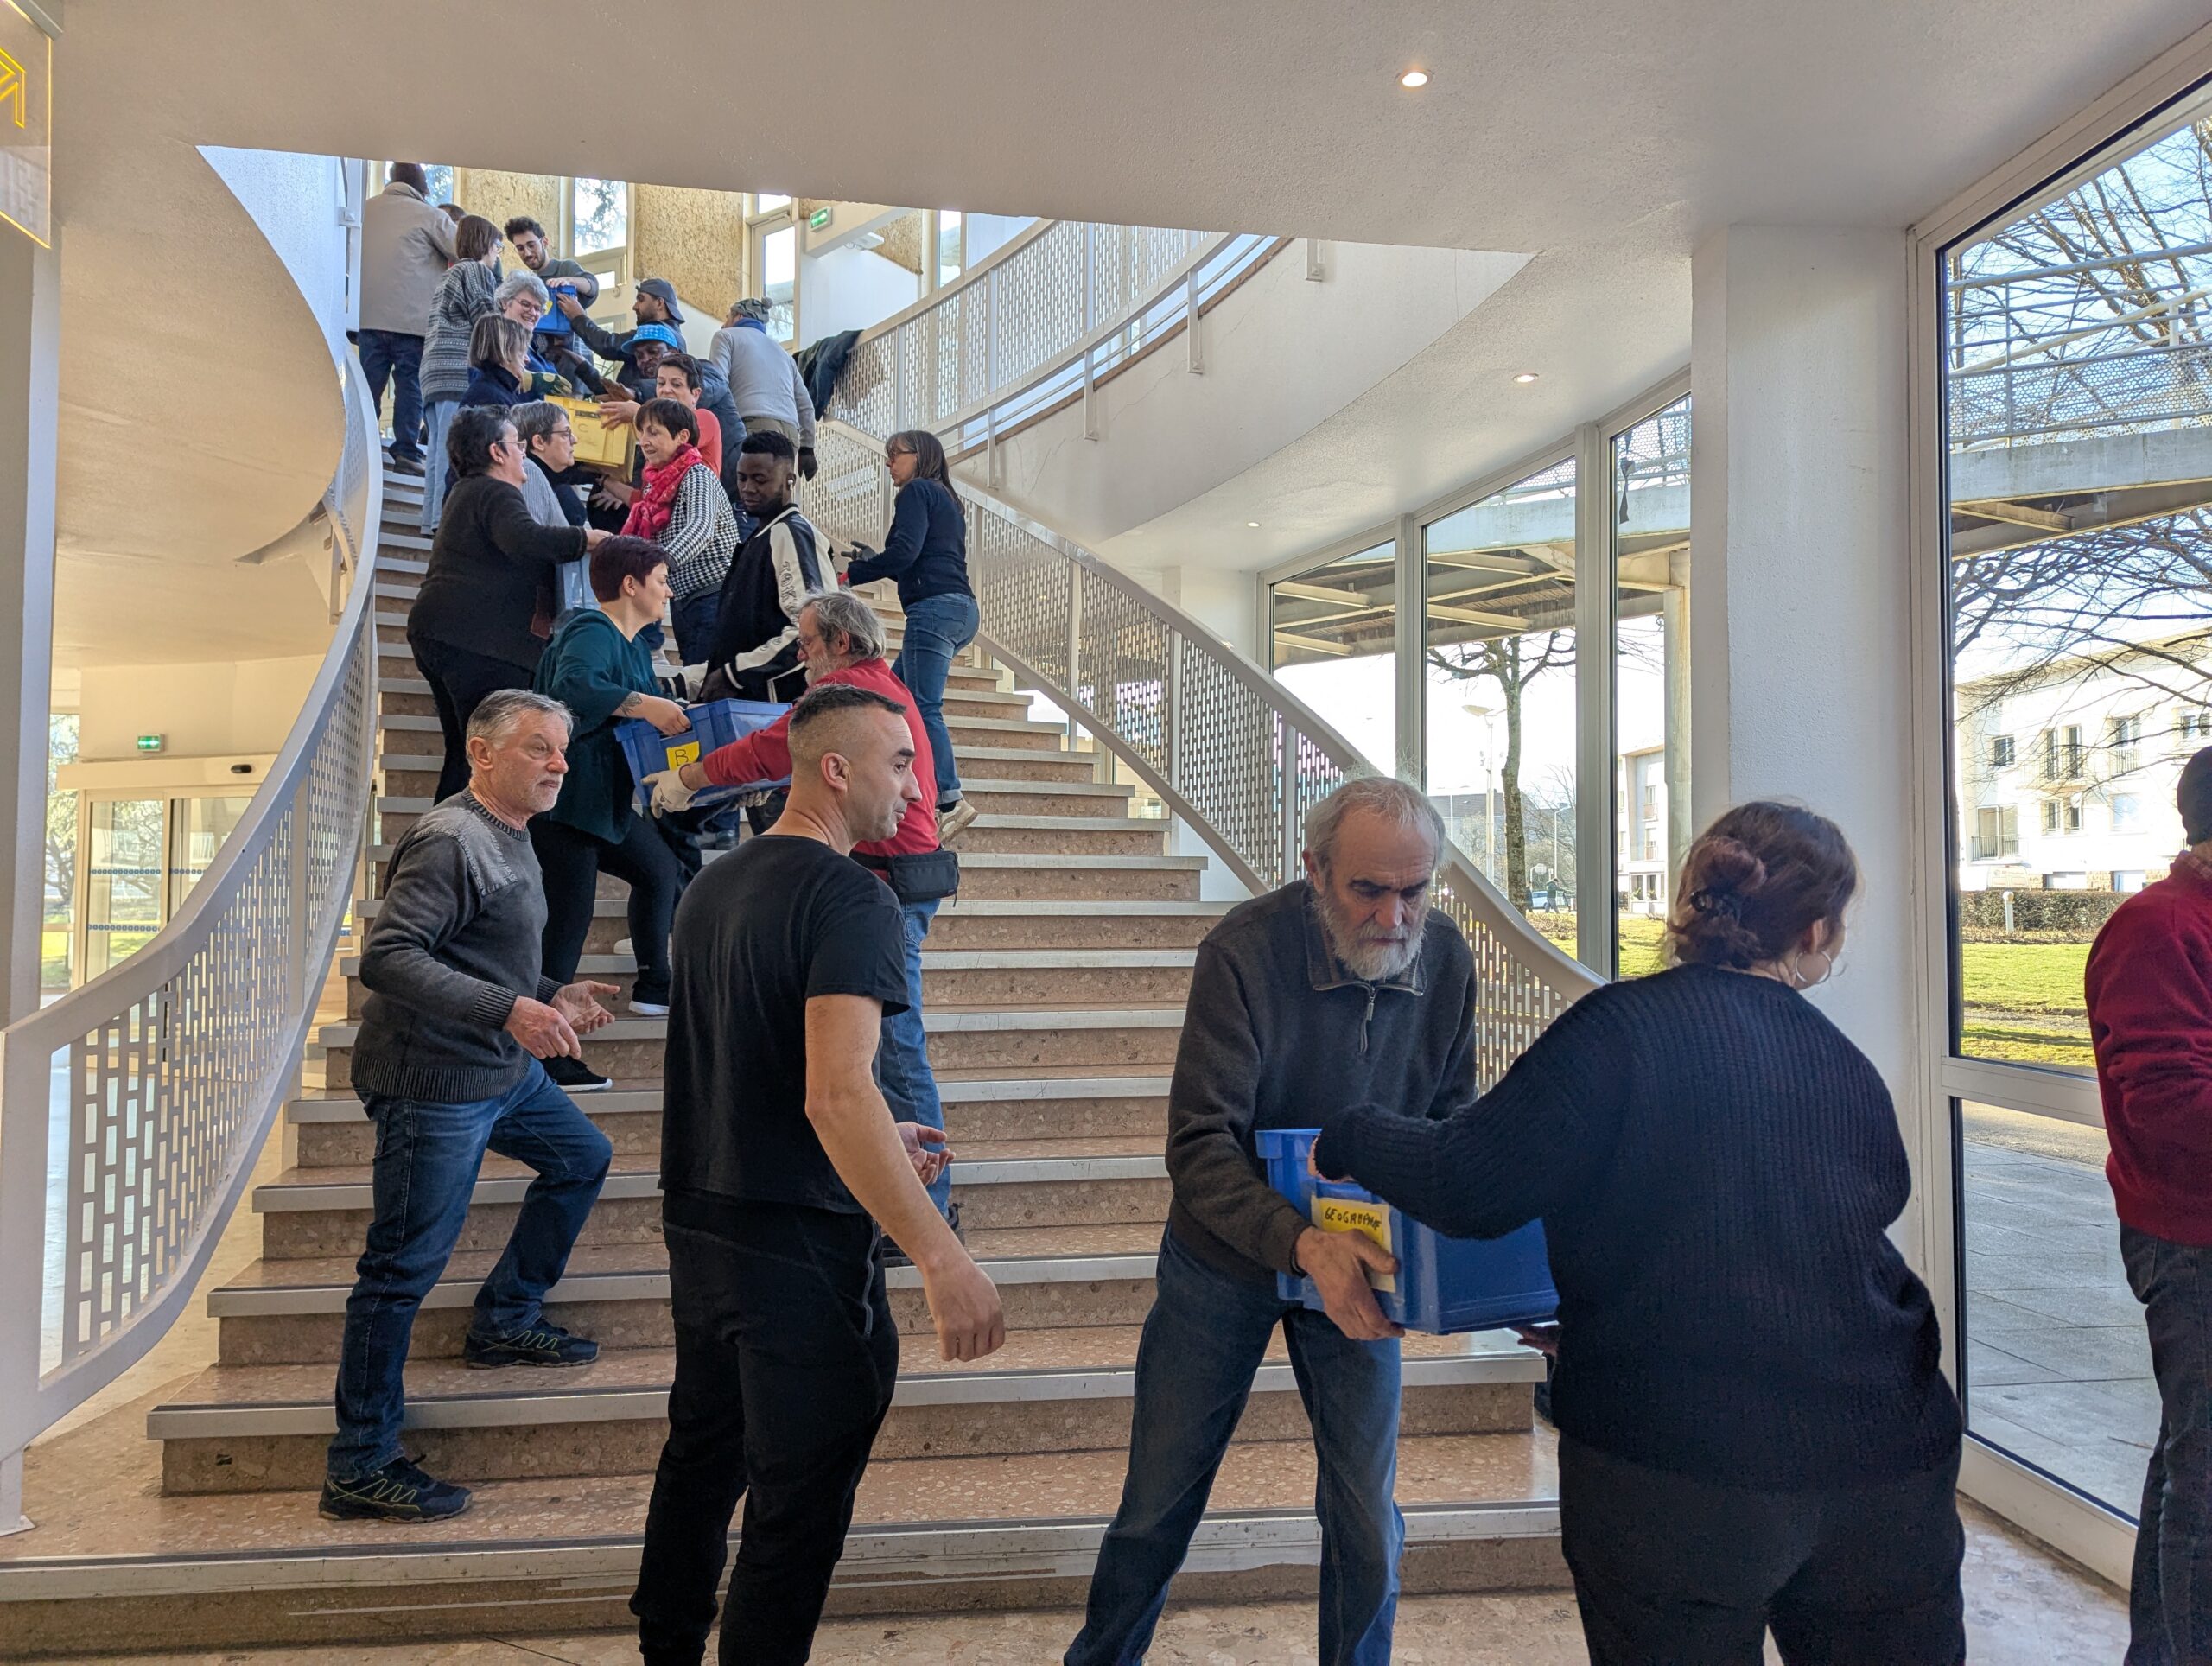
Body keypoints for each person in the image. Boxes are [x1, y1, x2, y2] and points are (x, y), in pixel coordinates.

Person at [1308, 799, 1966, 1666]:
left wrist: (1349, 1134)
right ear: (1816, 932)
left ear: (1692, 900)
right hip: (1886, 1466)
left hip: (1672, 1469)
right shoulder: (1842, 1061)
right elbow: (1797, 1239)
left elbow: (1468, 1183)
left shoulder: (1618, 1029)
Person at [629, 682, 1005, 1664]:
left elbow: (759, 1067)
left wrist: (884, 1134)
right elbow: (837, 1095)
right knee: (794, 1510)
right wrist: (942, 1253)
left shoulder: (714, 884)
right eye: (900, 763)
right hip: (795, 1247)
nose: (915, 787)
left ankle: (665, 1648)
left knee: (701, 1457)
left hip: (702, 1218)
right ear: (835, 769)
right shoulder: (853, 896)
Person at [1065, 775, 1475, 1666]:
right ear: (1314, 870)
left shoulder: (1445, 958)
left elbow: (1451, 1125)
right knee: (1158, 1503)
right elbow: (1198, 1144)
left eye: (1415, 890)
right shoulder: (1242, 952)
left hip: (1363, 1264)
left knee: (1367, 1516)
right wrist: (1301, 1242)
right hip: (1225, 1260)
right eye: (1369, 889)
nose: (1395, 917)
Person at [321, 689, 619, 1524]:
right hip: (433, 1083)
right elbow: (389, 957)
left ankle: (505, 1318)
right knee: (400, 1271)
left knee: (582, 1158)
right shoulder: (452, 838)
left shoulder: (510, 832)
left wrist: (548, 993)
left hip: (497, 1071)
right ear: (481, 753)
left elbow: (478, 953)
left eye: (561, 749)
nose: (558, 763)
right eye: (537, 747)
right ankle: (359, 1462)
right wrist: (511, 1010)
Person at [647, 590, 959, 1224]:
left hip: (888, 878)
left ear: (841, 642)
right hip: (898, 874)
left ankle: (928, 1211)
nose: (800, 654)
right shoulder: (882, 686)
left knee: (895, 1052)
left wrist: (690, 777)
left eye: (809, 641)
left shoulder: (849, 695)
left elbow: (775, 746)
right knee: (879, 1050)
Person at [2086, 747, 2212, 1666]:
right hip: (2192, 1241)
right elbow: (2168, 1104)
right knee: (2204, 1485)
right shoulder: (2158, 927)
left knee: (2191, 1463)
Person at [531, 537, 692, 1090]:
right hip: (567, 803)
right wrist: (648, 705)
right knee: (566, 928)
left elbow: (641, 721)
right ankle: (547, 1056)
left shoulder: (634, 647)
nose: (668, 592)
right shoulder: (591, 628)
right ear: (631, 585)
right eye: (662, 581)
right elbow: (573, 688)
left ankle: (655, 986)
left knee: (660, 870)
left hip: (603, 802)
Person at [407, 407, 601, 803]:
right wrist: (588, 540)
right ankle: (460, 837)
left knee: (466, 754)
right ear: (497, 452)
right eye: (517, 445)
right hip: (480, 643)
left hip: (443, 634)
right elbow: (525, 538)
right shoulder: (495, 491)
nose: (524, 454)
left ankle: (449, 836)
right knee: (485, 758)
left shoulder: (467, 493)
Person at [846, 430, 981, 842]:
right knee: (892, 699)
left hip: (935, 609)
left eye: (895, 456)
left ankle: (950, 799)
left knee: (922, 705)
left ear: (920, 456)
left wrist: (852, 574)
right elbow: (920, 557)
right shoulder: (947, 499)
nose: (889, 464)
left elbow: (905, 552)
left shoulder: (917, 491)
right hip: (960, 609)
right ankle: (899, 785)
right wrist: (876, 561)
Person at [696, 430, 824, 704]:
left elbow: (809, 632)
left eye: (760, 479)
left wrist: (734, 674)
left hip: (781, 709)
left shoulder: (790, 533)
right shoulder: (758, 539)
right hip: (752, 706)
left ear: (790, 480)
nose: (748, 488)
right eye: (742, 478)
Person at [622, 398, 740, 664]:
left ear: (682, 436)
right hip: (684, 600)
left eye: (654, 432)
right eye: (642, 433)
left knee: (703, 677)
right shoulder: (655, 483)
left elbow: (700, 528)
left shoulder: (697, 474)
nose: (644, 441)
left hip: (714, 596)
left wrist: (657, 563)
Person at [358, 162, 456, 475]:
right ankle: (406, 453)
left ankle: (360, 446)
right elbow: (463, 249)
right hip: (413, 322)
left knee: (366, 387)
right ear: (422, 187)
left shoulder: (364, 210)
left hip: (368, 317)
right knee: (410, 385)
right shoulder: (429, 215)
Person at [416, 214, 505, 533]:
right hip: (456, 369)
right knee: (451, 450)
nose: (497, 254)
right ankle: (444, 518)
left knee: (436, 451)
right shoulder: (477, 271)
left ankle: (431, 519)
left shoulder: (450, 274)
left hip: (433, 371)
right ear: (485, 243)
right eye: (497, 246)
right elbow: (486, 318)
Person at [708, 297, 819, 479]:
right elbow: (805, 404)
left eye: (727, 317)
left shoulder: (726, 336)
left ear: (739, 316)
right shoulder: (783, 354)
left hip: (753, 425)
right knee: (776, 491)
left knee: (748, 488)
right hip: (790, 433)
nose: (723, 324)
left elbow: (718, 382)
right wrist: (807, 449)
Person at [513, 399, 588, 531]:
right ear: (539, 442)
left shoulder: (542, 473)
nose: (574, 440)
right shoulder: (529, 472)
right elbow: (530, 537)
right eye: (566, 434)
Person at [652, 352, 723, 474]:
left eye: (676, 385)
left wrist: (638, 415)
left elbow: (671, 447)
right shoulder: (654, 428)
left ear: (695, 394)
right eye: (661, 383)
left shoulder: (705, 418)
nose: (666, 390)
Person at [460, 314, 534, 411]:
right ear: (505, 353)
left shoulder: (497, 390)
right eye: (521, 352)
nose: (527, 359)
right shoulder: (488, 397)